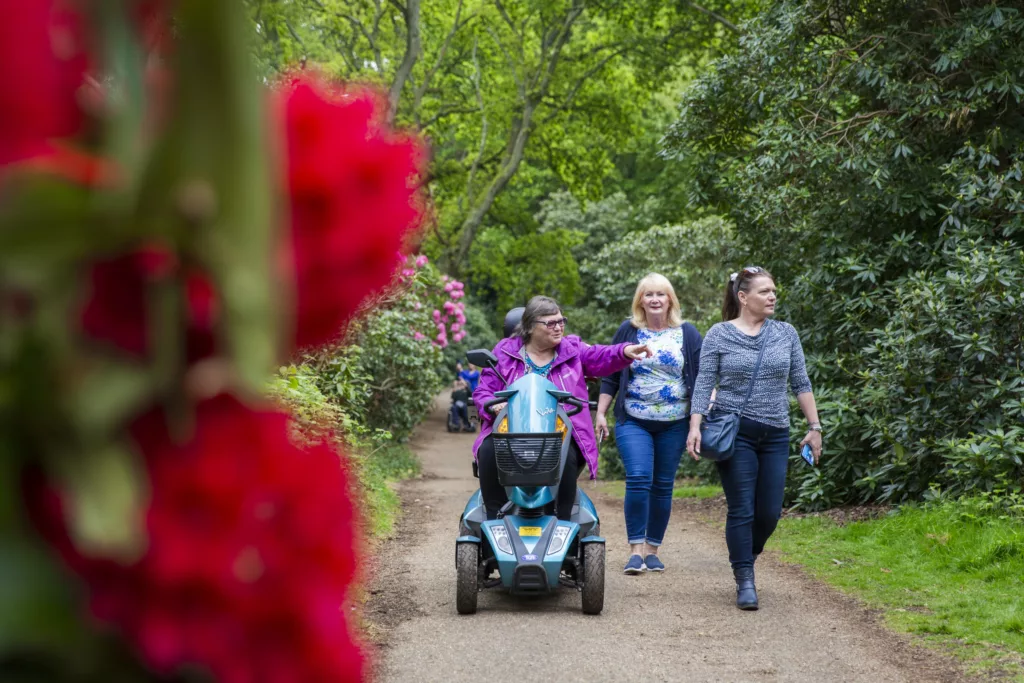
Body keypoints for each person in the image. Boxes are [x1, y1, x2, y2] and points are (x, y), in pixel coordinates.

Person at [686, 266, 822, 611]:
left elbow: (800, 382)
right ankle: (744, 577)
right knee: (742, 509)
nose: (772, 296)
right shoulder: (719, 334)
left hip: (776, 433)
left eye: (774, 291)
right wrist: (695, 426)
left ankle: (747, 555)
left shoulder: (786, 333)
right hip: (737, 431)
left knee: (769, 513)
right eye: (764, 292)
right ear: (743, 298)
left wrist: (814, 427)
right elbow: (704, 383)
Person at [472, 296, 651, 520]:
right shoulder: (504, 352)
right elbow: (483, 391)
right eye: (550, 323)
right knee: (488, 449)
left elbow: (599, 355)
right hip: (512, 429)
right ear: (529, 327)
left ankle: (563, 521)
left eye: (561, 321)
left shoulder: (573, 349)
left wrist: (625, 351)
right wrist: (493, 405)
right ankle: (493, 517)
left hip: (561, 429)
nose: (558, 327)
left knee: (565, 455)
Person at [596, 273, 704, 575]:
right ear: (640, 301)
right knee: (640, 477)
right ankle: (635, 551)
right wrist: (601, 413)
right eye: (648, 294)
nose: (655, 299)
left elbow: (701, 378)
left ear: (670, 299)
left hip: (674, 422)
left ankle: (652, 550)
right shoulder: (629, 331)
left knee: (662, 485)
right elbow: (610, 372)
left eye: (661, 294)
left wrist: (696, 425)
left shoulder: (688, 333)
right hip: (634, 419)